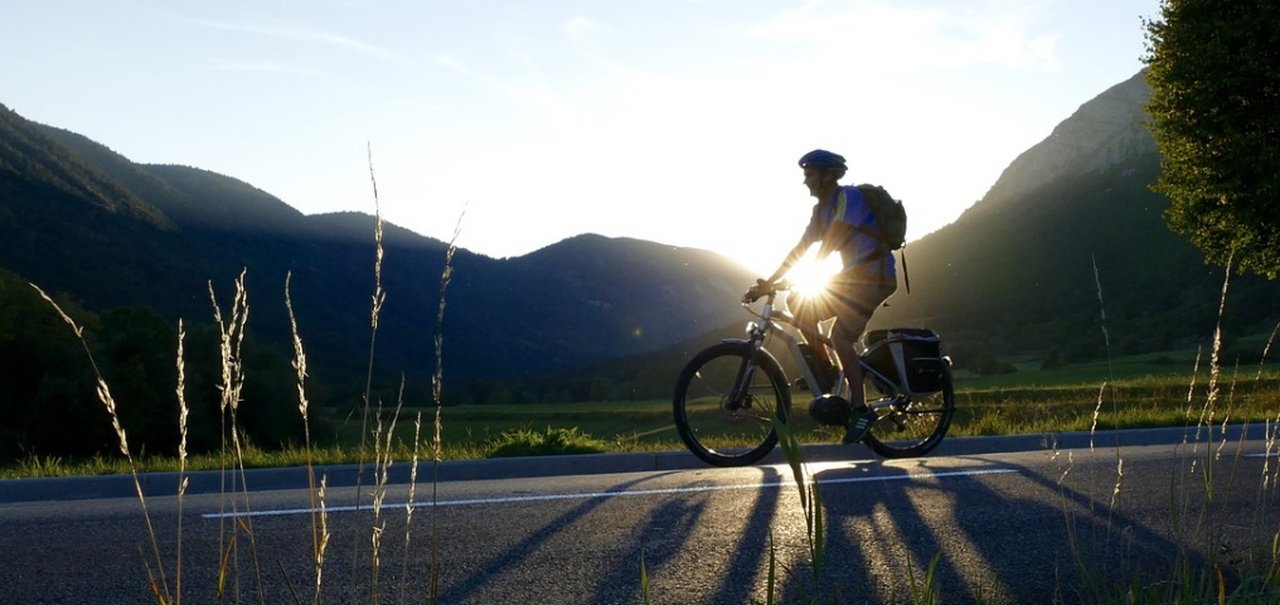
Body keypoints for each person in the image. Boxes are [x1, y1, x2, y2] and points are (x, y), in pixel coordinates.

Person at [756, 148, 898, 444]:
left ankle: (860, 410)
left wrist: (808, 273)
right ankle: (828, 373)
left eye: (809, 175)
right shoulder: (820, 210)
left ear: (827, 175)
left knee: (840, 336)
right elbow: (800, 248)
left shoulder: (849, 198)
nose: (805, 181)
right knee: (798, 303)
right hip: (853, 278)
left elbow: (833, 240)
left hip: (875, 277)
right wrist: (768, 283)